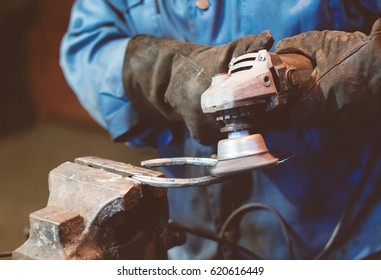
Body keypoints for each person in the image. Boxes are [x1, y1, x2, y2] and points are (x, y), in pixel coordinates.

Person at [60, 0, 381, 260]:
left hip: (341, 235)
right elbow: (86, 44)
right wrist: (158, 72)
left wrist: (362, 69)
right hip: (191, 235)